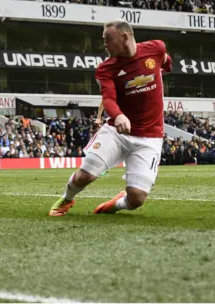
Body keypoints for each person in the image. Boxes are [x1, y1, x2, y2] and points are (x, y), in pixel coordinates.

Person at [49, 20, 172, 216]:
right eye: (103, 40)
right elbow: (108, 99)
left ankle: (115, 205)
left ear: (125, 37)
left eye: (108, 39)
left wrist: (164, 67)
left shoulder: (156, 48)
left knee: (136, 199)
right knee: (85, 176)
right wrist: (119, 115)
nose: (105, 44)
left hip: (150, 137)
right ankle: (66, 199)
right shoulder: (106, 69)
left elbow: (165, 59)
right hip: (116, 131)